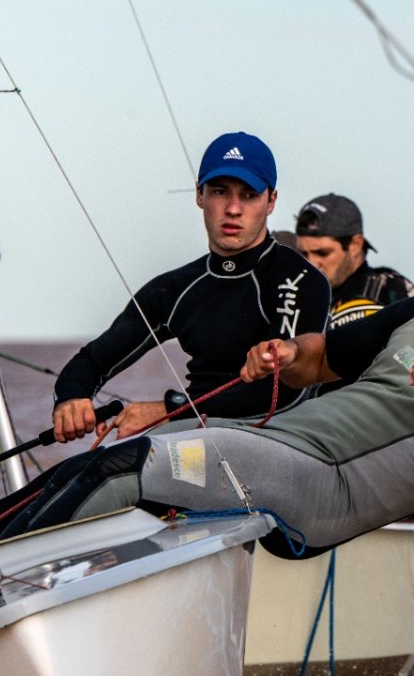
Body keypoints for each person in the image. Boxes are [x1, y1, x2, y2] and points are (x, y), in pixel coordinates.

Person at [0, 226, 414, 555]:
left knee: (124, 469)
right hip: (272, 443)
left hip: (321, 487)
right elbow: (321, 360)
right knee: (95, 461)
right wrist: (286, 353)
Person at [51, 132, 330, 443]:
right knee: (78, 478)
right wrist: (71, 399)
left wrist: (168, 410)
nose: (233, 209)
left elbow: (283, 394)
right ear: (200, 195)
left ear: (271, 201)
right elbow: (93, 360)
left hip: (281, 446)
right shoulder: (175, 289)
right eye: (220, 192)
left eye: (249, 195)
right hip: (198, 438)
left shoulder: (298, 280)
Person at [294, 193, 414, 329]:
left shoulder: (379, 296)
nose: (311, 264)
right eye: (303, 254)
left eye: (322, 253)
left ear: (355, 245)